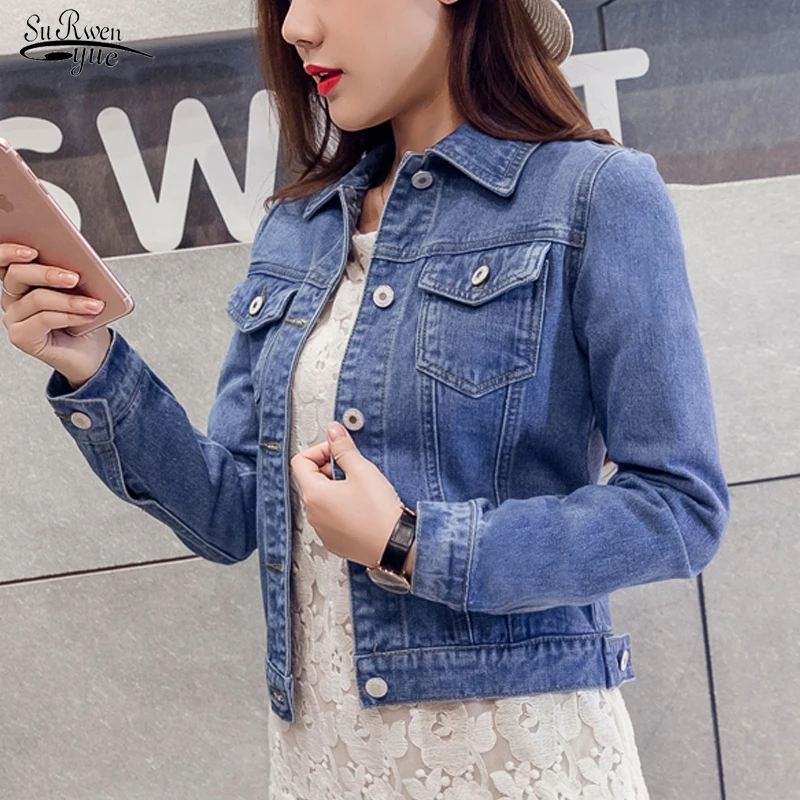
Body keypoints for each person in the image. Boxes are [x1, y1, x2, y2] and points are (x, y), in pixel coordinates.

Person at [0, 1, 729, 798]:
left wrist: (410, 542)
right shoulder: (298, 226)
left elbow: (678, 509)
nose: (294, 29)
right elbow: (234, 513)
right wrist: (94, 365)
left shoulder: (593, 193)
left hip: (511, 761)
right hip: (324, 765)